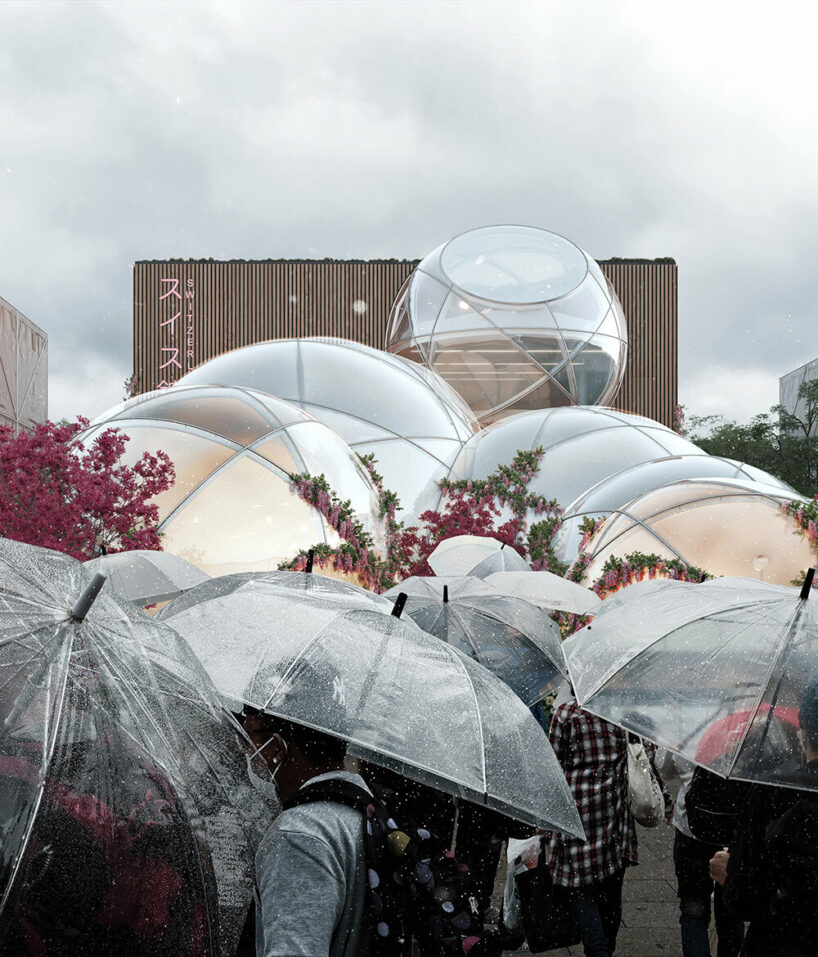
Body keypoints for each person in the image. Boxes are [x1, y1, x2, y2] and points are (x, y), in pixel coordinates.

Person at [239, 706, 370, 957]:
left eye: (249, 737)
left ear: (277, 748)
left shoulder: (299, 834)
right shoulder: (363, 812)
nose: (245, 751)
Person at [545, 696, 670, 957]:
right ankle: (606, 947)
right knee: (611, 885)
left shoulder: (566, 715)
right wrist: (665, 801)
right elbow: (646, 762)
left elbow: (552, 767)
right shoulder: (623, 716)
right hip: (613, 811)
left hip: (577, 811)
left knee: (581, 886)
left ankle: (597, 949)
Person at [710, 678, 818, 957]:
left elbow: (746, 900)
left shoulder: (774, 794)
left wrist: (731, 873)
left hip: (778, 944)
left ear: (803, 728)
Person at [665, 752, 744, 957]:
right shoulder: (753, 726)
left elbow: (665, 767)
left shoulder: (692, 724)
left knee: (694, 911)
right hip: (735, 833)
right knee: (731, 913)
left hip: (692, 829)